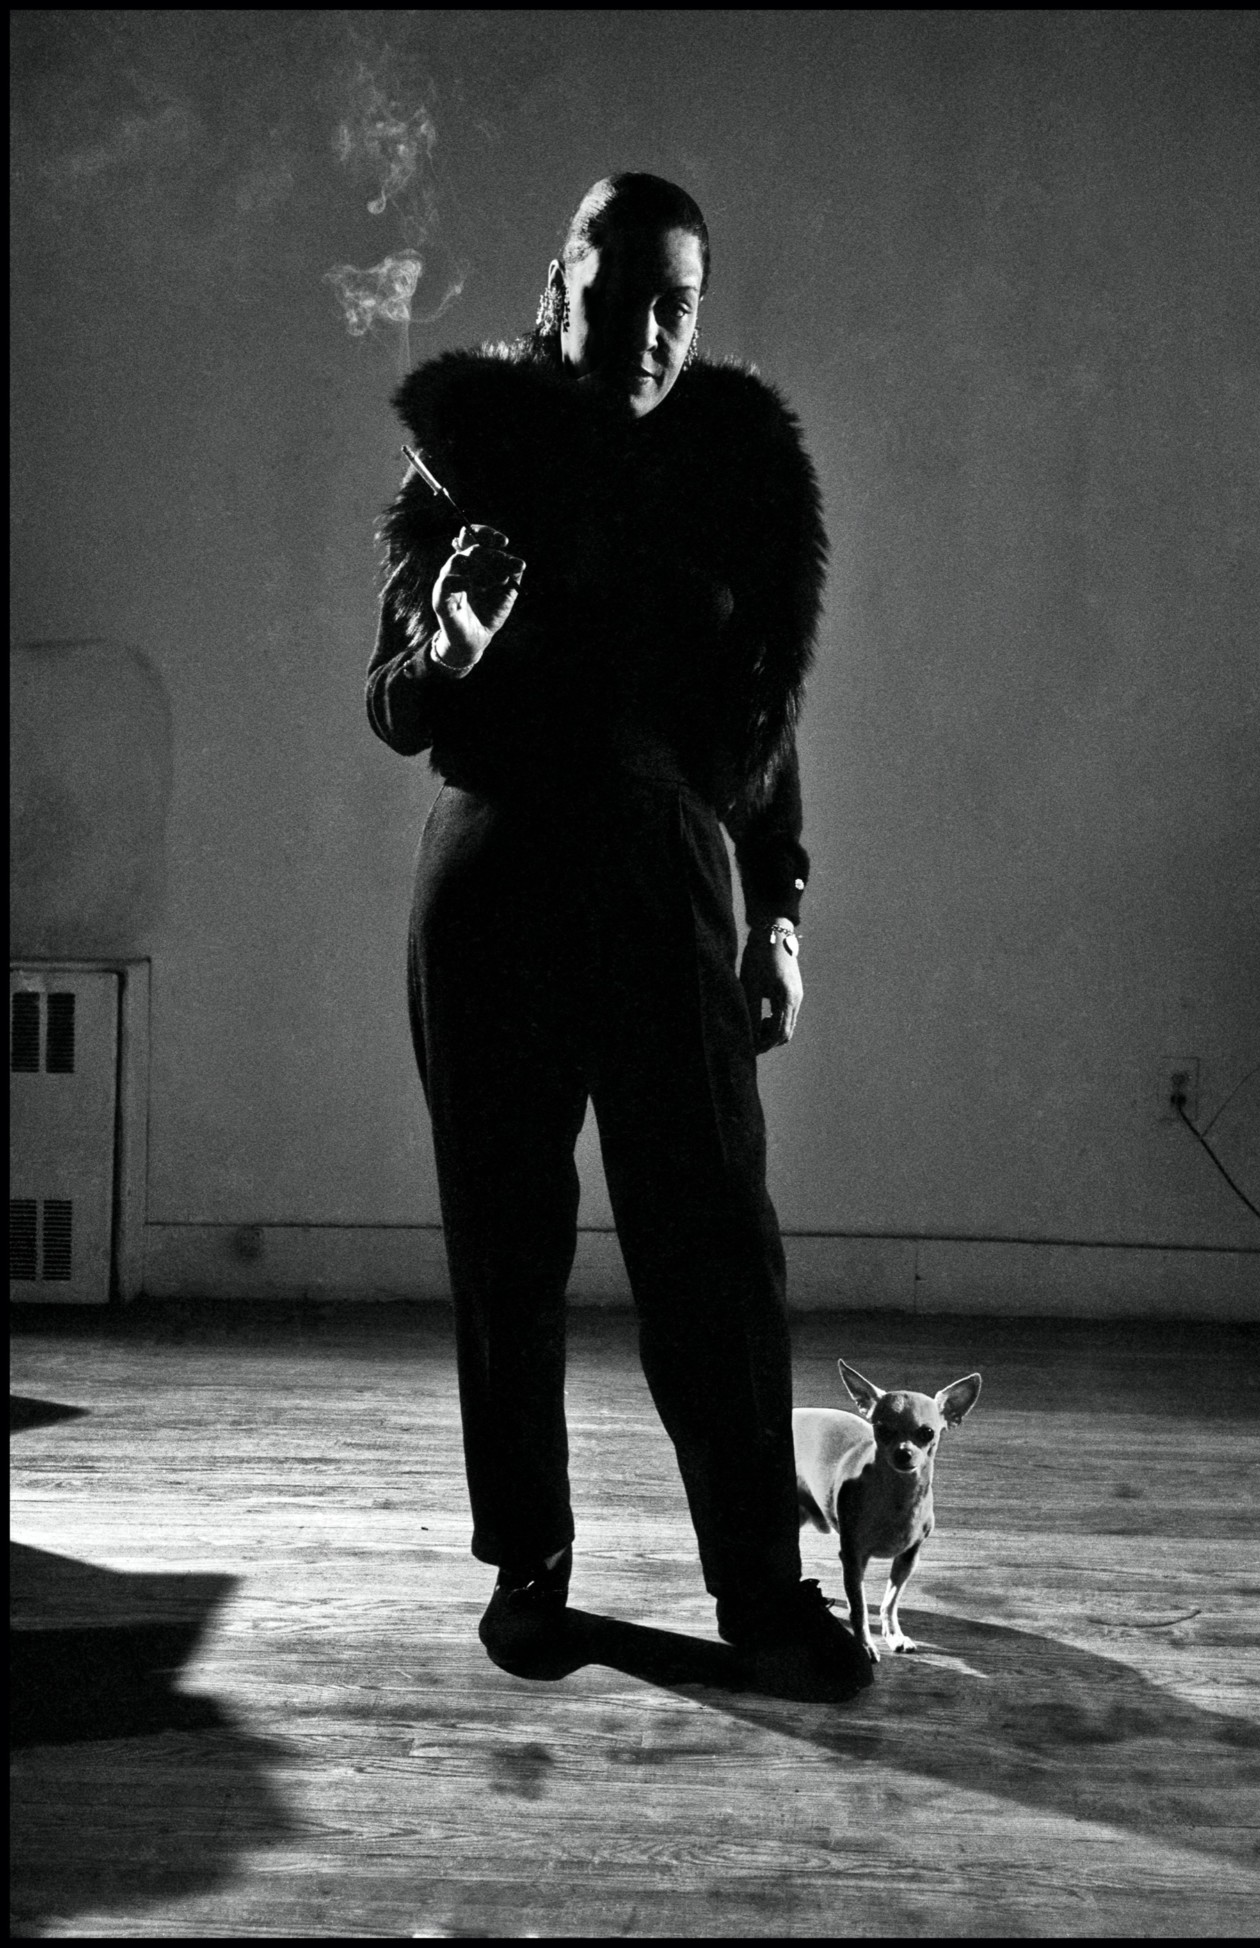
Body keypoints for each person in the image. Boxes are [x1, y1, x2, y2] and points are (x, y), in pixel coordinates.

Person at [367, 173, 872, 1700]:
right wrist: (445, 646)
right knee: (504, 1243)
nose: (648, 331)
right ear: (557, 287)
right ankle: (527, 1562)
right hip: (494, 891)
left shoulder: (735, 471)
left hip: (664, 887)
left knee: (711, 1240)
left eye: (678, 305)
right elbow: (393, 706)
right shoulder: (471, 452)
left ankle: (762, 1593)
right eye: (619, 294)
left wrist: (779, 914)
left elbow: (762, 728)